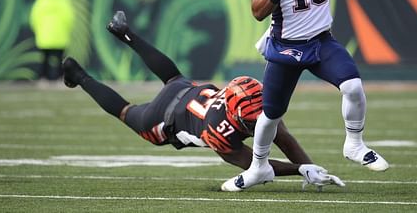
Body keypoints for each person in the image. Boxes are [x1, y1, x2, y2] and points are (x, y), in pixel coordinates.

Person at [62, 11, 345, 191]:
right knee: (126, 112)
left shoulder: (249, 104)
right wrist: (299, 169)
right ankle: (79, 75)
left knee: (172, 77)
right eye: (252, 120)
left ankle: (126, 33)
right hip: (164, 120)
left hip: (186, 92)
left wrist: (309, 169)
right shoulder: (219, 133)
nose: (261, 120)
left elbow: (284, 139)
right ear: (236, 118)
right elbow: (257, 168)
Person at [221, 0, 389, 192]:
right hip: (286, 44)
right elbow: (258, 11)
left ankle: (354, 144)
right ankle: (259, 167)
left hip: (321, 39)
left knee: (352, 86)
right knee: (270, 114)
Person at [30, 0, 74, 81]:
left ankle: (43, 78)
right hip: (61, 37)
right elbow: (70, 19)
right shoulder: (64, 1)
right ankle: (59, 78)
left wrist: (38, 31)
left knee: (44, 59)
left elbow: (34, 19)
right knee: (60, 60)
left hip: (44, 37)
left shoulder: (41, 1)